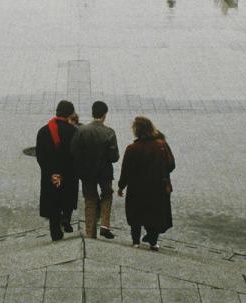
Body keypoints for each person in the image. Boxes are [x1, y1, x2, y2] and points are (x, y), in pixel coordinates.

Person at [117, 116, 174, 250]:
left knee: (136, 213)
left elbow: (125, 170)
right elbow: (171, 165)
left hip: (137, 188)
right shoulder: (161, 145)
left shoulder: (132, 148)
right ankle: (153, 242)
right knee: (154, 213)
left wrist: (121, 186)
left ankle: (135, 241)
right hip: (157, 187)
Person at [70, 100, 120, 239]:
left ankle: (90, 233)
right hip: (105, 172)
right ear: (105, 115)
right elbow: (114, 157)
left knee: (90, 200)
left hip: (87, 173)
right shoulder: (109, 132)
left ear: (92, 113)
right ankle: (104, 224)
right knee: (107, 194)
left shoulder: (81, 131)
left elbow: (74, 151)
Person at [35, 101, 80, 241]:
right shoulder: (73, 131)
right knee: (68, 197)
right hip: (69, 173)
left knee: (53, 201)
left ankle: (55, 232)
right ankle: (66, 217)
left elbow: (40, 155)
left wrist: (49, 171)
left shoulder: (43, 131)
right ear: (71, 114)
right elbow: (77, 154)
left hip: (51, 174)